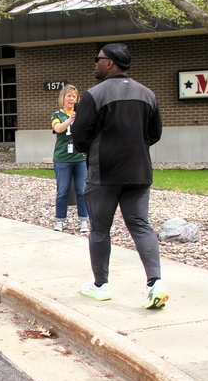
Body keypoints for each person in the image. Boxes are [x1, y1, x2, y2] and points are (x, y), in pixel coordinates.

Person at [71, 43, 167, 309]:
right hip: (139, 171)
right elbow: (155, 133)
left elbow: (80, 134)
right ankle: (155, 283)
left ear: (110, 62)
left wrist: (90, 151)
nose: (95, 64)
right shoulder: (148, 94)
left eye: (97, 60)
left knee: (100, 229)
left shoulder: (94, 95)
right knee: (140, 225)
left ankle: (101, 286)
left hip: (104, 174)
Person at [50, 84, 89, 233]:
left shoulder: (81, 114)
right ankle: (59, 221)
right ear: (63, 98)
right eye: (69, 96)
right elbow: (58, 128)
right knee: (63, 190)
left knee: (82, 190)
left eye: (74, 96)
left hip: (79, 158)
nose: (71, 99)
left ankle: (84, 221)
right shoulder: (56, 115)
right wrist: (70, 120)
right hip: (62, 159)